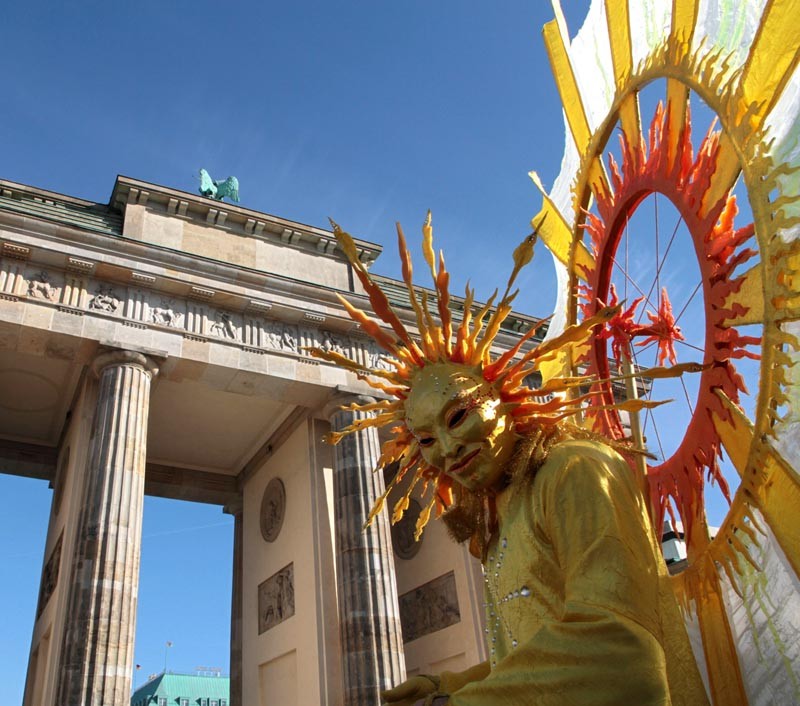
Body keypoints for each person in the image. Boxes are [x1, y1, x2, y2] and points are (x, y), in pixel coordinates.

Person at [311, 217, 707, 706]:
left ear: (501, 395)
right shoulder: (499, 521)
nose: (449, 450)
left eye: (458, 417)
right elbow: (525, 659)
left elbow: (621, 653)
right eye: (427, 441)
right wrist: (446, 685)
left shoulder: (576, 468)